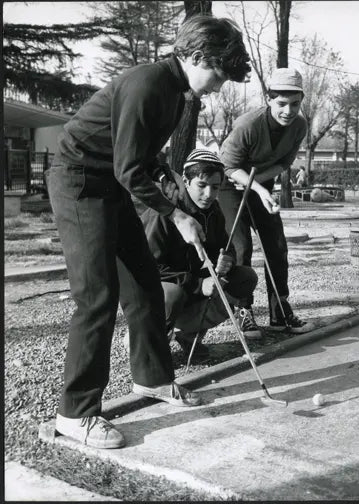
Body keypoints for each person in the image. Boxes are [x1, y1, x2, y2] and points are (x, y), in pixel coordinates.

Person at [45, 15, 251, 449]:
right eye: (217, 74)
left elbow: (143, 156)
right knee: (97, 296)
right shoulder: (146, 83)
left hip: (112, 183)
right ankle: (75, 413)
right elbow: (128, 168)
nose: (218, 86)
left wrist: (171, 180)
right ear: (197, 56)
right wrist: (177, 215)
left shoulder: (176, 95)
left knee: (143, 286)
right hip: (80, 181)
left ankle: (152, 379)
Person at [140, 149, 261, 365]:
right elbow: (147, 267)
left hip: (192, 284)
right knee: (171, 295)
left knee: (244, 278)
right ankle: (148, 343)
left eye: (215, 187)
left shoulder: (213, 210)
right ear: (186, 181)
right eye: (202, 186)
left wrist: (227, 260)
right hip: (160, 288)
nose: (208, 194)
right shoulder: (165, 212)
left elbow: (226, 248)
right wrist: (198, 284)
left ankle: (189, 335)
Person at [218, 68, 312, 334]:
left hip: (260, 184)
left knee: (277, 244)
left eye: (295, 104)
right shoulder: (248, 124)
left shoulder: (299, 126)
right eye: (282, 103)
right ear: (269, 99)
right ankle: (243, 310)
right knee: (241, 245)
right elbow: (227, 166)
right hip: (229, 186)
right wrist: (257, 187)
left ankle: (280, 310)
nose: (289, 111)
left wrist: (258, 185)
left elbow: (284, 162)